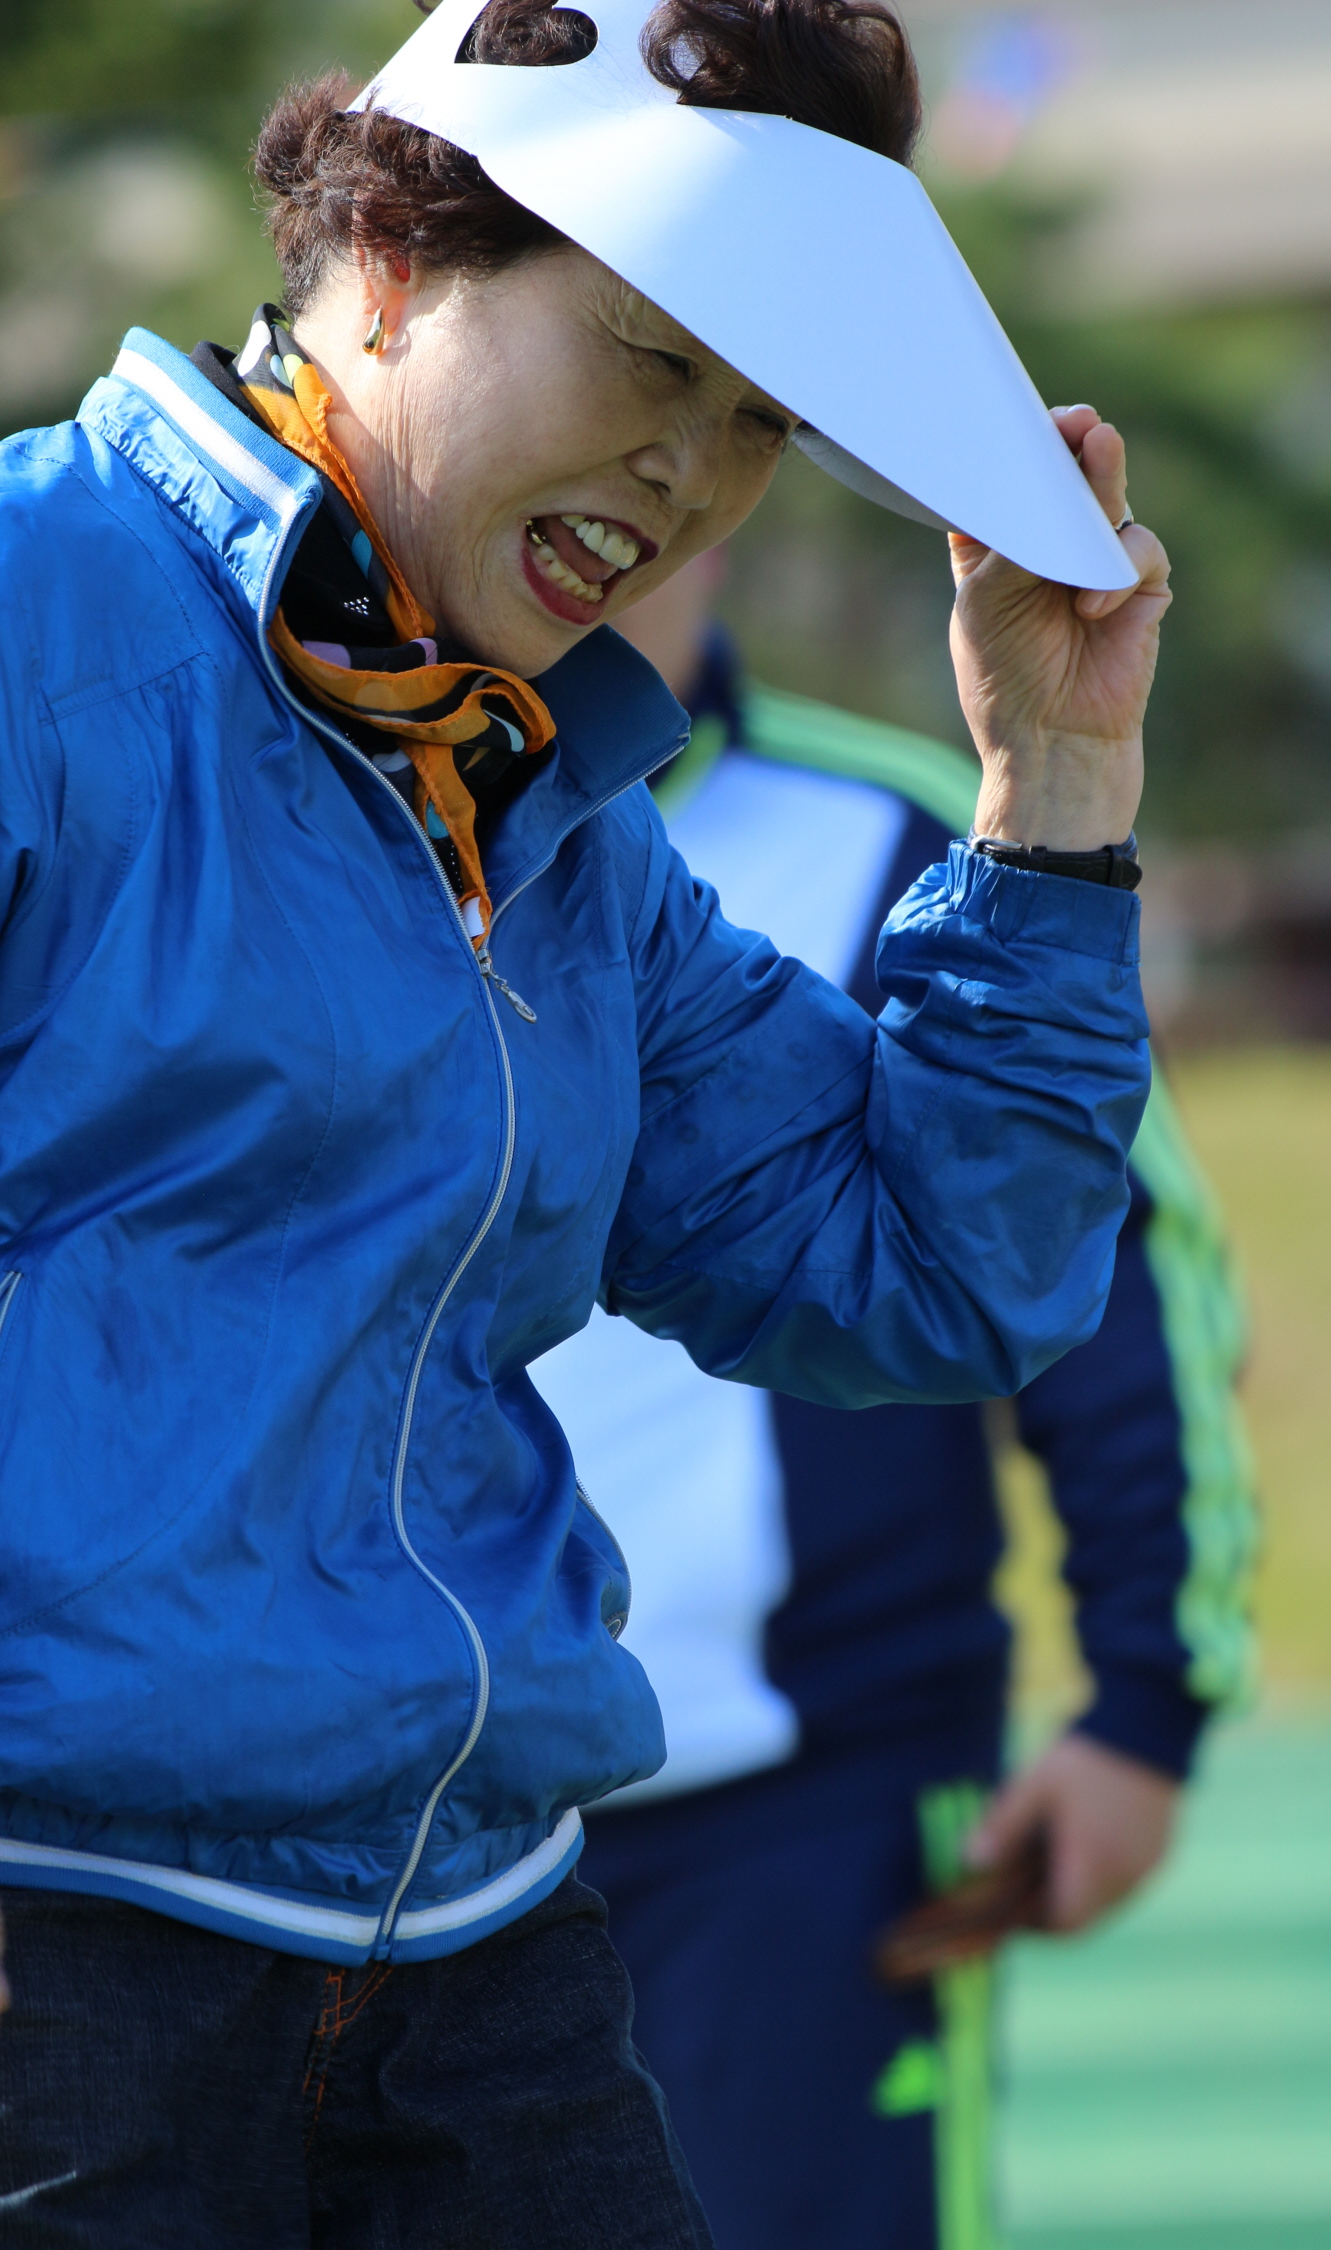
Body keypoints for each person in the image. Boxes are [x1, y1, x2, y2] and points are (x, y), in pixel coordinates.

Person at [0, 0, 1169, 2238]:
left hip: (479, 1949)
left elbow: (941, 1275)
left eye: (757, 421)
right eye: (650, 359)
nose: (690, 478)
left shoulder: (555, 818)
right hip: (5, 1927)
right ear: (385, 258)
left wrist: (1055, 797)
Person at [533, 551, 1256, 2250]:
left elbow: (1109, 1278)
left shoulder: (910, 832)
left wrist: (1143, 1700)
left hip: (812, 1808)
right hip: (388, 1814)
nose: (619, 524)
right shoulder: (329, 820)